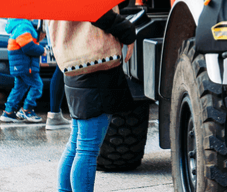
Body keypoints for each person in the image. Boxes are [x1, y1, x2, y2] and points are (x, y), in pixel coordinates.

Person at [48, 10, 136, 192]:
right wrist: (127, 31)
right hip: (96, 68)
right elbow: (96, 10)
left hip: (73, 65)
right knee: (87, 149)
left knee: (76, 145)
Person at [0, 18, 44, 123]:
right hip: (25, 65)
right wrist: (43, 50)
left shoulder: (19, 25)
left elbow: (27, 41)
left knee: (19, 88)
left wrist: (38, 37)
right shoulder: (24, 26)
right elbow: (28, 47)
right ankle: (27, 109)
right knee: (37, 86)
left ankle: (9, 112)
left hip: (20, 65)